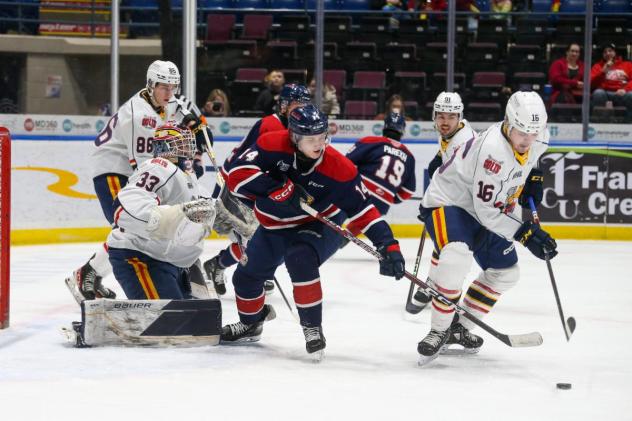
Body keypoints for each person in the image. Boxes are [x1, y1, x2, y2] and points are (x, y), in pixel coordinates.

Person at [221, 104, 406, 360]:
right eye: (311, 139)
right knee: (245, 278)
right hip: (274, 225)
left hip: (320, 224)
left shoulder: (339, 168)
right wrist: (279, 188)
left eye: (322, 137)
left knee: (301, 258)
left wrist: (389, 245)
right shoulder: (272, 145)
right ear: (294, 137)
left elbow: (364, 211)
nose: (319, 144)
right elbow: (237, 176)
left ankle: (312, 328)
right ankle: (251, 323)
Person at [416, 91, 557, 366]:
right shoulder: (492, 151)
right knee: (456, 256)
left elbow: (533, 155)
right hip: (451, 202)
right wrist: (526, 233)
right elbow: (487, 213)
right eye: (521, 133)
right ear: (507, 123)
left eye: (533, 133)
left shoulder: (538, 135)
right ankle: (439, 329)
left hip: (489, 207)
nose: (528, 140)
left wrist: (534, 174)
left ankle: (460, 326)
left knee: (506, 273)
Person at [65, 60, 212, 304]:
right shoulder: (138, 115)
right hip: (113, 168)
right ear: (151, 85)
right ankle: (88, 273)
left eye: (173, 87)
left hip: (146, 166)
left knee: (144, 225)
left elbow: (202, 134)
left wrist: (200, 132)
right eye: (164, 87)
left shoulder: (175, 102)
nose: (169, 92)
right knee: (127, 223)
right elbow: (147, 166)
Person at [203, 84, 312, 296]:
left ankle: (219, 264)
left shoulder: (297, 130)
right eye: (297, 105)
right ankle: (256, 271)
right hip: (239, 187)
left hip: (262, 190)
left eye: (305, 105)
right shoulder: (270, 126)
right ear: (284, 106)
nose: (302, 110)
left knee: (269, 237)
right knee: (257, 238)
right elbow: (243, 164)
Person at [106, 123, 216, 300]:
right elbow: (123, 208)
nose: (188, 149)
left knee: (195, 321)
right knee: (170, 324)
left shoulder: (188, 176)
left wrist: (228, 218)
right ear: (166, 147)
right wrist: (169, 219)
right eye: (183, 144)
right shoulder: (158, 167)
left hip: (174, 261)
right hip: (142, 257)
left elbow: (204, 208)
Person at [406, 91, 478, 314]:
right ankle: (433, 284)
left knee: (452, 248)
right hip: (457, 197)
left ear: (459, 118)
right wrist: (439, 156)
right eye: (441, 116)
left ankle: (440, 288)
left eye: (450, 117)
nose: (445, 122)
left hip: (469, 203)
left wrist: (430, 204)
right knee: (444, 243)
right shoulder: (451, 134)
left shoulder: (463, 142)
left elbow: (455, 182)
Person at [345, 112, 416, 217]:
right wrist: (389, 197)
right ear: (402, 131)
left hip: (357, 195)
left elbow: (345, 164)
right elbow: (408, 190)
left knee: (337, 228)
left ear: (384, 127)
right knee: (363, 230)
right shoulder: (409, 158)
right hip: (381, 206)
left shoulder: (370, 142)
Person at [590, 43, 632, 122]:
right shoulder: (597, 66)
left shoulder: (627, 64)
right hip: (605, 92)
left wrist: (625, 89)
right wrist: (603, 71)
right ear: (602, 55)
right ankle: (601, 123)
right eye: (605, 52)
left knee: (631, 95)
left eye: (610, 51)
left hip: (622, 92)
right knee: (598, 93)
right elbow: (591, 84)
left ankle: (628, 123)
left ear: (615, 52)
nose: (608, 53)